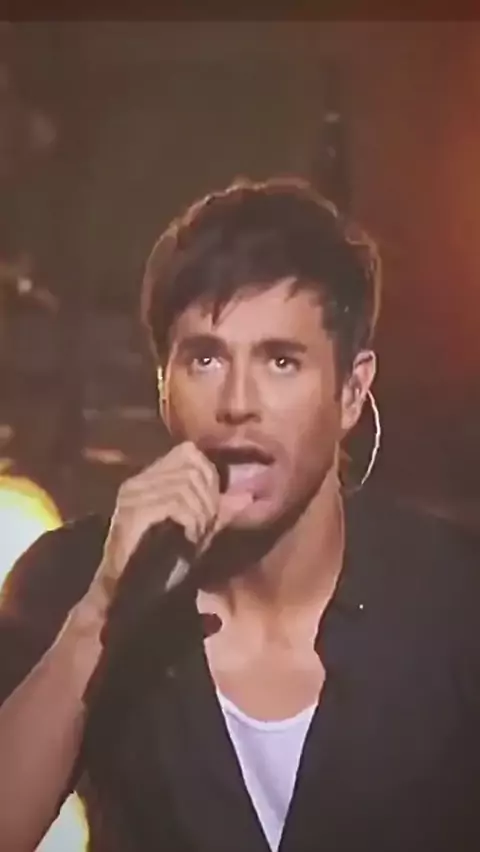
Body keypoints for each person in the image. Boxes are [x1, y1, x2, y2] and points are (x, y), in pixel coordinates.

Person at [0, 177, 478, 852]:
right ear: (163, 386)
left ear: (351, 391)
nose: (237, 403)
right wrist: (98, 616)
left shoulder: (455, 595)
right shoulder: (71, 577)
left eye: (281, 361)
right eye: (205, 358)